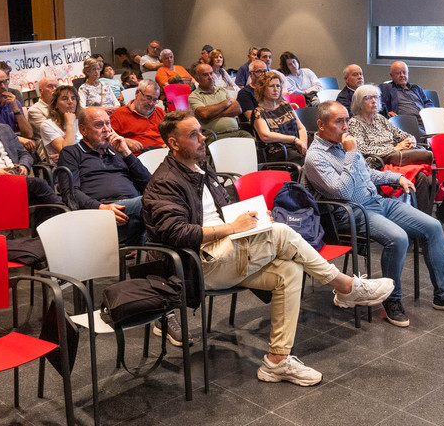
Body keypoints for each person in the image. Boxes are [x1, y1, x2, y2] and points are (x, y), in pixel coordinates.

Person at [142, 110, 395, 382]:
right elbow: (176, 233)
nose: (202, 138)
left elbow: (222, 210)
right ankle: (345, 286)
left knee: (288, 271)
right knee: (283, 233)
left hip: (227, 251)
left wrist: (255, 221)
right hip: (200, 263)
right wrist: (233, 227)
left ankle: (277, 361)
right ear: (173, 143)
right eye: (193, 135)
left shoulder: (200, 168)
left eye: (200, 131)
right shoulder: (165, 182)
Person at [305, 101, 444, 328]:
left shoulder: (341, 146)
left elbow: (368, 175)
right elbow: (343, 191)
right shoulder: (315, 157)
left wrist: (396, 178)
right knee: (398, 238)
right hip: (351, 212)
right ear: (321, 124)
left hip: (376, 202)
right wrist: (352, 154)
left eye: (347, 120)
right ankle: (392, 300)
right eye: (339, 121)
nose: (346, 126)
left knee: (433, 226)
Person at [57, 107, 150, 245]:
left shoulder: (118, 151)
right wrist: (101, 207)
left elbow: (149, 183)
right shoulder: (71, 153)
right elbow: (70, 192)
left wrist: (127, 153)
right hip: (101, 213)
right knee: (156, 202)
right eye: (99, 125)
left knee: (161, 209)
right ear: (83, 130)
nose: (106, 129)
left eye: (108, 123)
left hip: (134, 210)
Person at [348, 85, 434, 214]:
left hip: (397, 160)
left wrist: (410, 141)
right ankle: (423, 219)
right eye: (368, 98)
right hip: (377, 164)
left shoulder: (381, 119)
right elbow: (362, 149)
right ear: (359, 102)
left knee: (428, 177)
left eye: (376, 97)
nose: (374, 101)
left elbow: (404, 135)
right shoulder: (354, 123)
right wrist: (394, 148)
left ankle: (423, 219)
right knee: (423, 176)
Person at [251, 72, 307, 164]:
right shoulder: (258, 112)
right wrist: (294, 139)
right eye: (271, 86)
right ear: (262, 89)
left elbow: (301, 128)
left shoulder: (285, 105)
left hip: (296, 148)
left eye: (278, 86)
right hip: (278, 153)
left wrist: (303, 146)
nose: (276, 89)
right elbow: (266, 136)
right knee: (304, 160)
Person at [189, 63, 252, 144]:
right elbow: (204, 114)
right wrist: (225, 103)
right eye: (205, 75)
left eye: (211, 73)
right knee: (232, 149)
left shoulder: (222, 90)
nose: (210, 77)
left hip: (236, 132)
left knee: (254, 144)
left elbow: (238, 109)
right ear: (197, 79)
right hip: (214, 135)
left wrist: (212, 115)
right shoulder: (194, 96)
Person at [110, 79, 166, 154]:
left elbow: (172, 133)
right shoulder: (118, 115)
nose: (151, 103)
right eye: (148, 98)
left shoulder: (159, 112)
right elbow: (108, 139)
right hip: (138, 157)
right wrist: (124, 141)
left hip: (163, 153)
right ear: (137, 93)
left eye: (155, 100)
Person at [0, 68, 33, 151]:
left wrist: (16, 109)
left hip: (15, 146)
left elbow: (28, 134)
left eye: (5, 81)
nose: (3, 87)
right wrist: (17, 139)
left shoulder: (14, 103)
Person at [378, 61, 435, 126]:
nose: (402, 75)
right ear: (391, 75)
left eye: (404, 72)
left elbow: (427, 102)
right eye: (398, 73)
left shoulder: (415, 88)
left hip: (425, 121)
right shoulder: (386, 88)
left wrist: (428, 111)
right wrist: (386, 112)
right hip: (405, 125)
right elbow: (377, 103)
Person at [39, 85, 81, 160]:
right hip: (66, 169)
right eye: (65, 99)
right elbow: (69, 152)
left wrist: (66, 155)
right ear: (55, 105)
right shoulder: (47, 125)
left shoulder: (82, 120)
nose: (70, 102)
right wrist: (70, 123)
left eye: (73, 98)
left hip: (87, 162)